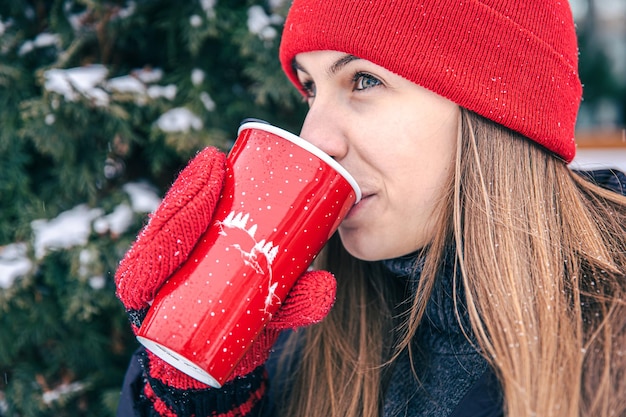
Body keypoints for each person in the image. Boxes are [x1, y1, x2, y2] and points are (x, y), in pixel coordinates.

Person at [115, 0, 626, 416]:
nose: (314, 137)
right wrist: (196, 394)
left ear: (494, 110)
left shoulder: (611, 343)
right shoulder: (302, 346)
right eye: (310, 89)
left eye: (363, 81)